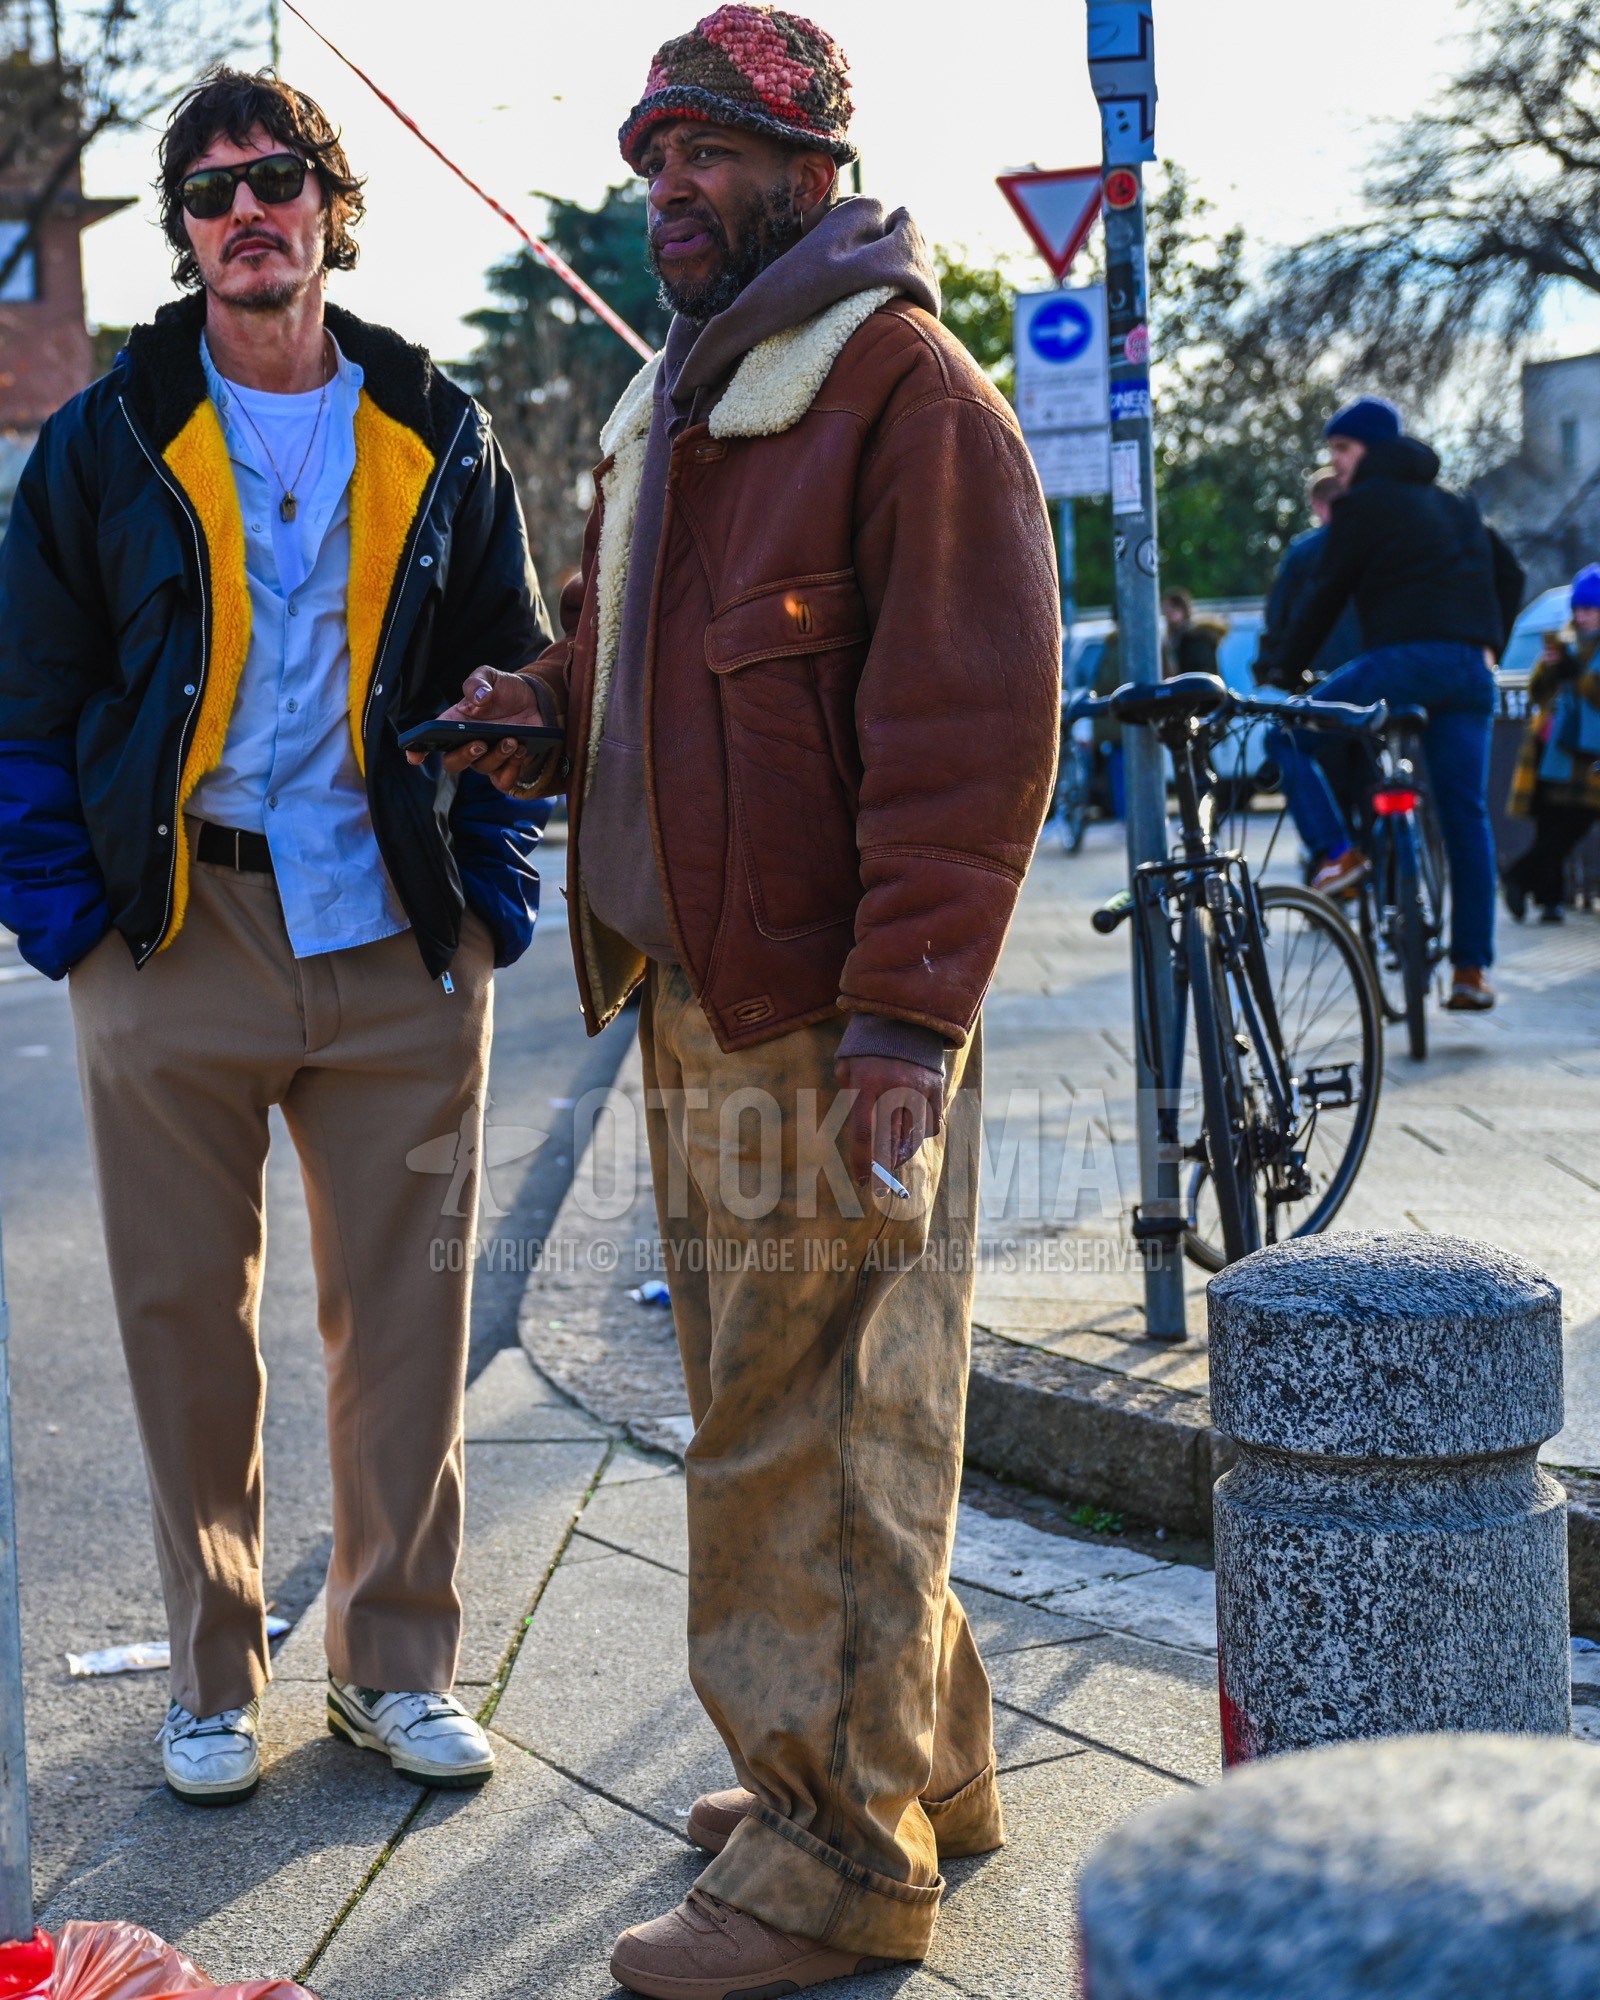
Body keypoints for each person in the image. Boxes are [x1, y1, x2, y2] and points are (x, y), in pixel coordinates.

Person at [418, 9, 1060, 1992]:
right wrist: (530, 718)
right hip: (695, 1007)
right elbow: (635, 666)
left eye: (702, 152)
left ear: (806, 162)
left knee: (797, 1442)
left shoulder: (895, 388)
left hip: (819, 1024)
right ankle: (912, 1768)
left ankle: (826, 1860)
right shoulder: (700, 399)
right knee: (815, 1415)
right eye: (649, 158)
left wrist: (900, 1030)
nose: (665, 189)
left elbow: (967, 736)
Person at [0, 69, 551, 1804]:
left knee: (407, 1319)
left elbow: (520, 679)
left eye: (279, 179)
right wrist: (70, 921)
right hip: (175, 931)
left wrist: (497, 897)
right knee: (185, 1322)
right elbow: (27, 695)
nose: (249, 209)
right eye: (213, 188)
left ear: (330, 205)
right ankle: (213, 1677)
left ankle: (394, 1669)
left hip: (397, 933)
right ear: (182, 233)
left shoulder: (442, 425)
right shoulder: (107, 438)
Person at [1263, 396, 1525, 1013]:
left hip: (1401, 664)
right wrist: (1489, 643)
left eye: (1342, 452)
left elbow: (1327, 591)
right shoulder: (1457, 504)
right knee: (1466, 815)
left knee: (1287, 735)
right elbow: (1510, 575)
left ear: (1372, 450)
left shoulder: (1363, 505)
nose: (1338, 466)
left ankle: (1338, 852)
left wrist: (1282, 669)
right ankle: (1470, 971)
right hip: (1468, 672)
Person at [1503, 563, 1600, 922]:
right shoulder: (1562, 641)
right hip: (1553, 743)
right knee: (1550, 818)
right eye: (1578, 609)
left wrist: (1578, 675)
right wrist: (1550, 670)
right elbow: (1536, 692)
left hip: (1590, 752)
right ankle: (1549, 900)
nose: (1582, 616)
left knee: (1577, 820)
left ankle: (1519, 877)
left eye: (1590, 609)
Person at [1254, 468, 1363, 689]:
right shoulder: (1376, 545)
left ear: (1317, 504)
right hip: (1368, 669)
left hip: (1316, 675)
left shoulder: (1302, 552)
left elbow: (1278, 614)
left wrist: (1272, 665)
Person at [1161, 587, 1226, 677]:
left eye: (1174, 607)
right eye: (1166, 608)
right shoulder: (1173, 640)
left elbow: (1202, 672)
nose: (1168, 612)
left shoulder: (1196, 638)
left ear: (1184, 609)